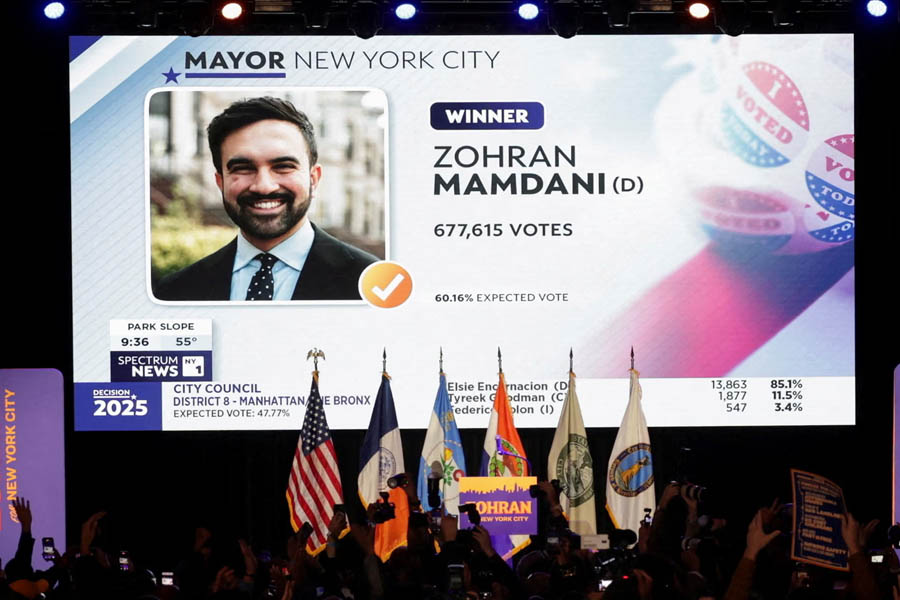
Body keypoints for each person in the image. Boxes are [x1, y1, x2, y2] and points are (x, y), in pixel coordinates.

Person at [154, 96, 378, 302]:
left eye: (283, 167)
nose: (263, 186)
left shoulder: (372, 287)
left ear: (314, 179)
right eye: (243, 168)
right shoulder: (175, 292)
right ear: (220, 182)